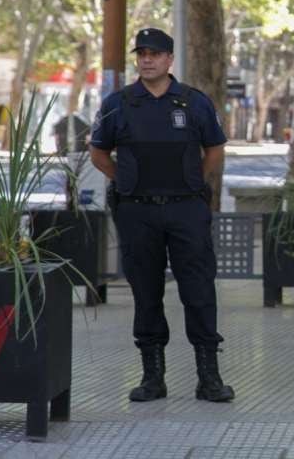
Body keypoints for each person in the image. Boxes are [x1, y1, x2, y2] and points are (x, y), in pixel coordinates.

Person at [89, 28, 234, 403]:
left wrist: (191, 184)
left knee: (199, 291)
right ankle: (153, 378)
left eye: (155, 54)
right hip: (137, 212)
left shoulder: (194, 103)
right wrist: (125, 180)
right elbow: (98, 153)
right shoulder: (117, 103)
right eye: (142, 53)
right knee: (146, 293)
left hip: (186, 209)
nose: (147, 59)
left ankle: (209, 378)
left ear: (170, 60)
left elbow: (215, 150)